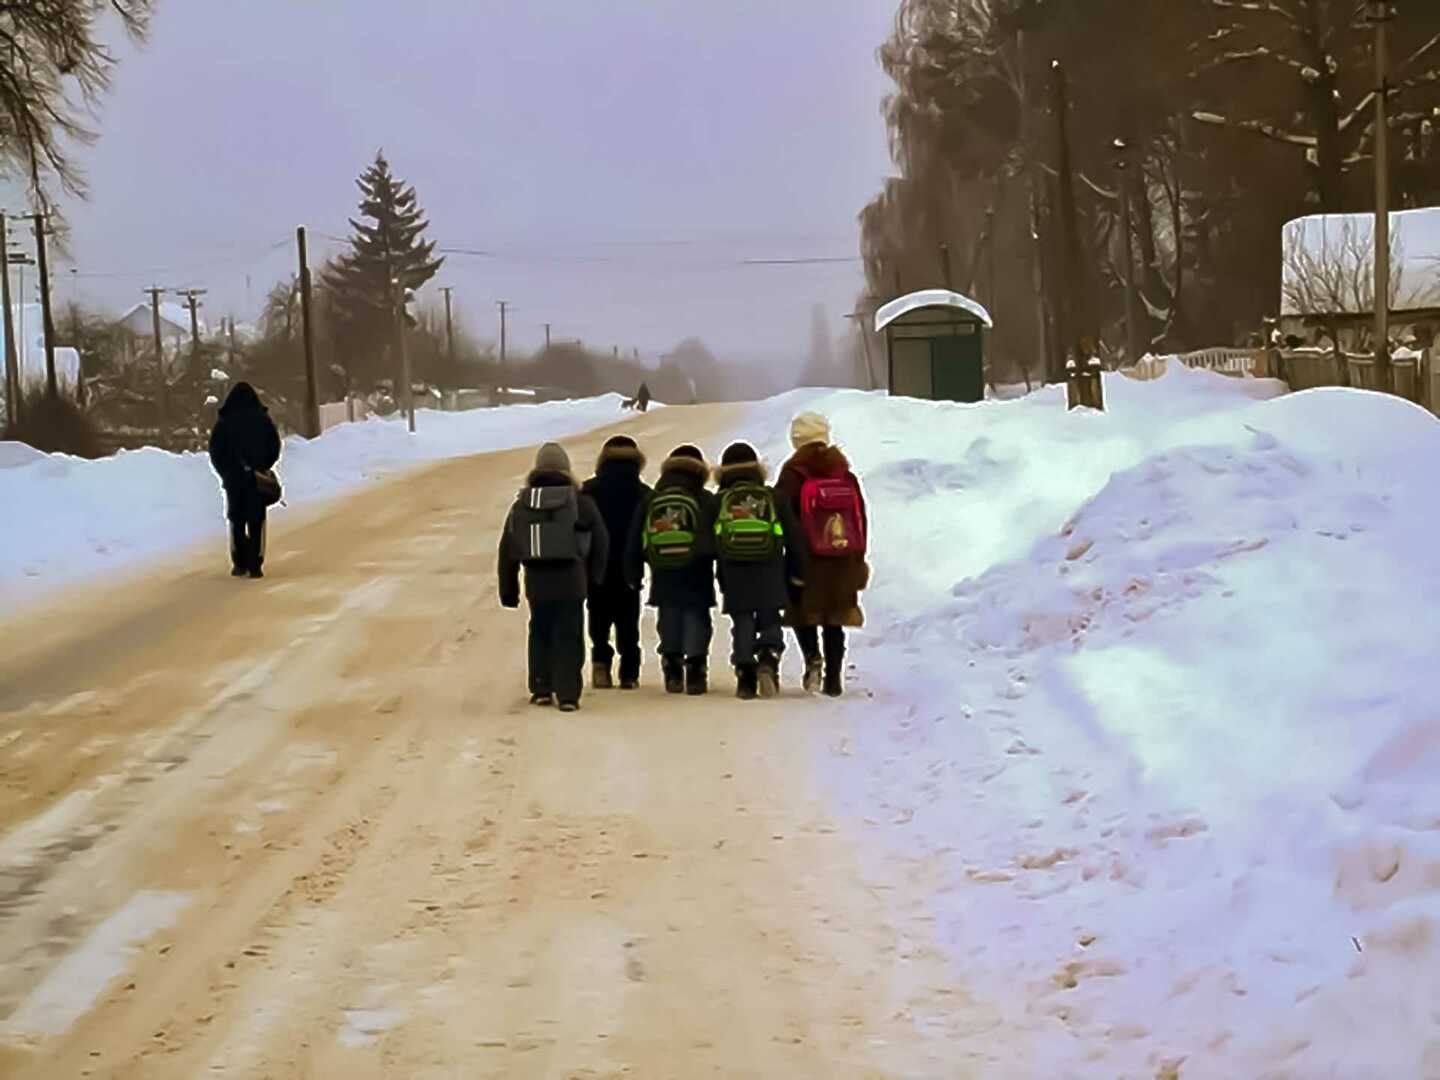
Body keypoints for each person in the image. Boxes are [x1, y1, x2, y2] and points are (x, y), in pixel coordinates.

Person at [498, 442, 609, 712]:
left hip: (537, 581)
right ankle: (568, 694)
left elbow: (508, 548)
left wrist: (508, 589)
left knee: (540, 632)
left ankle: (541, 688)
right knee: (569, 634)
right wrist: (596, 576)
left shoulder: (522, 504)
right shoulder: (580, 502)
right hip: (572, 580)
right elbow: (601, 541)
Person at [775, 412, 870, 697]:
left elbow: (781, 514)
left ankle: (812, 658)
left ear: (796, 441)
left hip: (806, 557)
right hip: (841, 557)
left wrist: (789, 553)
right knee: (835, 617)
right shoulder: (844, 473)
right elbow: (860, 519)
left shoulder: (792, 474)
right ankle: (834, 679)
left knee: (802, 613)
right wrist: (857, 556)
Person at [713, 441, 805, 700]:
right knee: (769, 616)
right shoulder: (774, 497)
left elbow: (705, 543)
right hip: (770, 569)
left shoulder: (720, 500)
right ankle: (768, 657)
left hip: (733, 571)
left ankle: (745, 674)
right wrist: (798, 571)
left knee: (742, 619)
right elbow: (794, 537)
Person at [626, 443, 717, 695]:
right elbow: (715, 538)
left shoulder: (653, 498)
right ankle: (696, 669)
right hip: (697, 570)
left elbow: (636, 536)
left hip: (663, 568)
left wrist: (633, 569)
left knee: (669, 615)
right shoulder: (704, 498)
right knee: (696, 616)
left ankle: (672, 667)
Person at [580, 434, 650, 690]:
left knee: (598, 617)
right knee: (628, 619)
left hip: (596, 566)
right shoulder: (643, 493)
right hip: (629, 567)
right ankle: (629, 672)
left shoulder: (588, 491)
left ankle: (600, 663)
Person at [207, 381, 281, 579]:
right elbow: (275, 446)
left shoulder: (224, 422)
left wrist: (225, 472)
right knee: (257, 520)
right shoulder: (262, 420)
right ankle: (255, 565)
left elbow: (215, 451)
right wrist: (264, 465)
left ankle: (239, 563)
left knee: (236, 519)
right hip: (257, 479)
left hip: (234, 480)